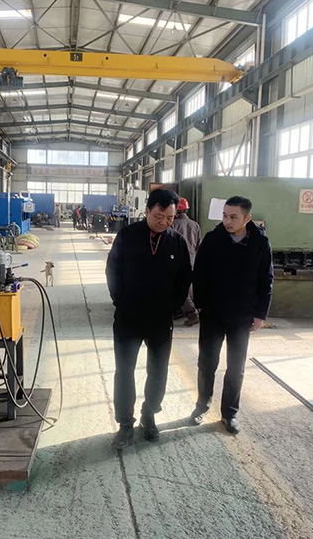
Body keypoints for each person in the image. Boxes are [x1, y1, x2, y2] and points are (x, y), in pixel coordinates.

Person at [106, 189, 192, 450]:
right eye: (158, 216)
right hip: (128, 318)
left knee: (158, 369)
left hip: (160, 320)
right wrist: (121, 300)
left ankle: (149, 414)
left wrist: (172, 307)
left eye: (170, 218)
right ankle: (125, 424)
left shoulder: (177, 242)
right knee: (124, 370)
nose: (164, 222)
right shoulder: (127, 236)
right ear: (147, 211)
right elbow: (112, 270)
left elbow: (184, 278)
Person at [190, 196, 273, 434]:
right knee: (207, 363)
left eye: (233, 217)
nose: (227, 221)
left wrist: (260, 314)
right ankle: (202, 406)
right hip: (213, 313)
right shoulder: (213, 239)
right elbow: (199, 273)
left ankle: (230, 413)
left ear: (247, 218)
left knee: (236, 367)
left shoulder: (260, 242)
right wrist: (201, 305)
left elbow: (266, 279)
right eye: (225, 216)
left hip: (242, 316)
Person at [171, 197, 201, 326]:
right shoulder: (195, 225)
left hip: (177, 261)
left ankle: (192, 313)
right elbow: (199, 245)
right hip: (192, 260)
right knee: (186, 287)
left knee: (179, 288)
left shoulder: (173, 225)